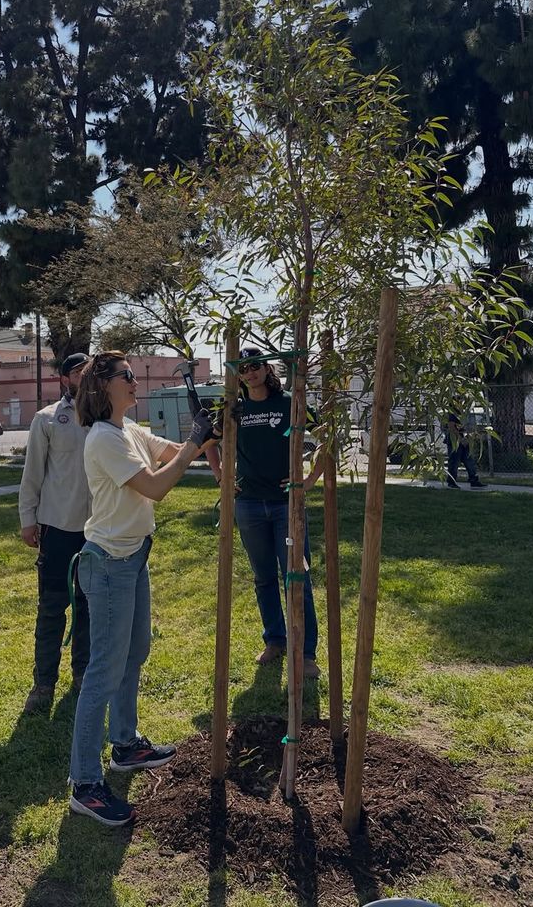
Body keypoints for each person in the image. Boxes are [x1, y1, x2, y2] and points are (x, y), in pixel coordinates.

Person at [68, 350, 215, 826]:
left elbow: (170, 453)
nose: (135, 380)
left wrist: (205, 436)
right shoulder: (103, 439)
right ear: (102, 386)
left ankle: (126, 745)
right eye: (126, 376)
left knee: (135, 654)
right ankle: (85, 783)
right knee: (103, 672)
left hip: (133, 557)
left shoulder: (129, 431)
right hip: (108, 564)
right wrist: (196, 442)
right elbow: (154, 487)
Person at [207, 347, 323, 678]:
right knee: (263, 578)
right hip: (248, 505)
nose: (250, 373)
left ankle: (307, 653)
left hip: (286, 504)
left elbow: (327, 436)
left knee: (296, 578)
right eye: (243, 369)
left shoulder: (290, 402)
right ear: (237, 375)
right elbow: (209, 442)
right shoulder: (235, 409)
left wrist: (308, 479)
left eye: (255, 366)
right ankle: (275, 640)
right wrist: (221, 477)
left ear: (266, 368)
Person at [19, 352, 92, 713]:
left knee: (88, 606)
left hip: (96, 531)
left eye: (90, 369)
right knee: (51, 608)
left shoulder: (105, 418)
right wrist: (27, 518)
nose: (85, 375)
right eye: (79, 371)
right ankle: (43, 684)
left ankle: (83, 675)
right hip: (56, 527)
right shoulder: (47, 419)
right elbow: (32, 474)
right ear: (65, 379)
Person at [446, 411, 486, 489]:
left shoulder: (465, 412)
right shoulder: (453, 412)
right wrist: (460, 439)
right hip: (455, 440)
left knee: (469, 460)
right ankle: (451, 482)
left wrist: (469, 437)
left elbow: (468, 427)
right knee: (454, 462)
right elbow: (451, 426)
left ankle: (474, 480)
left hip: (465, 440)